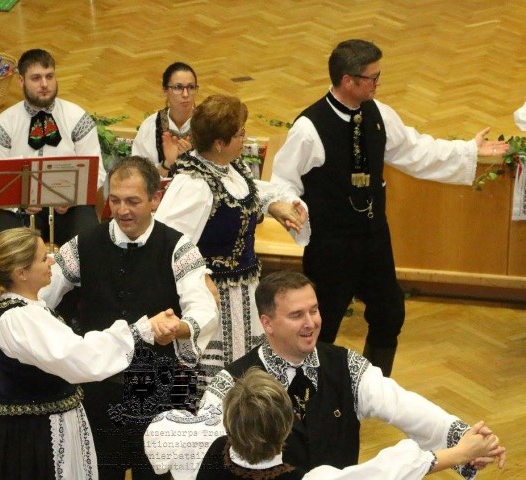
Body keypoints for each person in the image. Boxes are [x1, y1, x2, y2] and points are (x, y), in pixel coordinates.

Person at [270, 39, 509, 377]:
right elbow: (283, 179)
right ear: (348, 80)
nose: (377, 84)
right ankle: (310, 392)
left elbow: (416, 150)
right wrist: (290, 205)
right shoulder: (310, 128)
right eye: (372, 78)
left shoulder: (378, 114)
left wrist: (468, 151)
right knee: (321, 325)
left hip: (373, 238)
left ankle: (374, 387)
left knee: (389, 313)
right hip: (331, 246)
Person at [145, 271, 506, 479]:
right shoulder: (230, 384)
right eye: (297, 315)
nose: (311, 323)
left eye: (314, 310)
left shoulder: (345, 366)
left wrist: (463, 439)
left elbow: (404, 406)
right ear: (267, 323)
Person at [39, 155, 218, 479]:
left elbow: (203, 307)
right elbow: (42, 291)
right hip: (97, 388)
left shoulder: (179, 247)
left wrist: (179, 328)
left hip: (159, 386)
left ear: (155, 199)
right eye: (115, 200)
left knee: (156, 473)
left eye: (133, 201)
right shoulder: (83, 245)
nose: (122, 210)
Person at [0, 227, 182, 480]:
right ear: (21, 273)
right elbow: (79, 356)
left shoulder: (29, 309)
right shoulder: (20, 319)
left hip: (41, 428)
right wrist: (142, 329)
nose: (52, 261)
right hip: (32, 438)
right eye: (43, 258)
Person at [154, 94, 303, 380]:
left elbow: (247, 193)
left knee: (246, 371)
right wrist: (200, 275)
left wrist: (273, 205)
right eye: (240, 134)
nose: (244, 140)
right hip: (216, 297)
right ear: (219, 143)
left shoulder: (231, 166)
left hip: (244, 292)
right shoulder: (194, 184)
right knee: (217, 376)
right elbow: (167, 241)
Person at [196, 367, 502, 480]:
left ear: (229, 422)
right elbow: (389, 472)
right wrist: (460, 453)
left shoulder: (214, 453)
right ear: (287, 426)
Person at [0, 48, 106, 246]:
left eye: (49, 76)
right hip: (21, 209)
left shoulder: (77, 117)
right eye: (36, 78)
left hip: (71, 208)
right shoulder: (5, 123)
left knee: (90, 245)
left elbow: (96, 172)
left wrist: (71, 198)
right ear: (21, 81)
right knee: (9, 250)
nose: (44, 84)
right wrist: (20, 202)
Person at [131, 62, 198, 177]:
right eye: (178, 87)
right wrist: (167, 164)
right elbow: (139, 177)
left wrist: (193, 158)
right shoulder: (151, 126)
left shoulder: (208, 125)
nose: (186, 94)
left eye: (191, 87)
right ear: (165, 90)